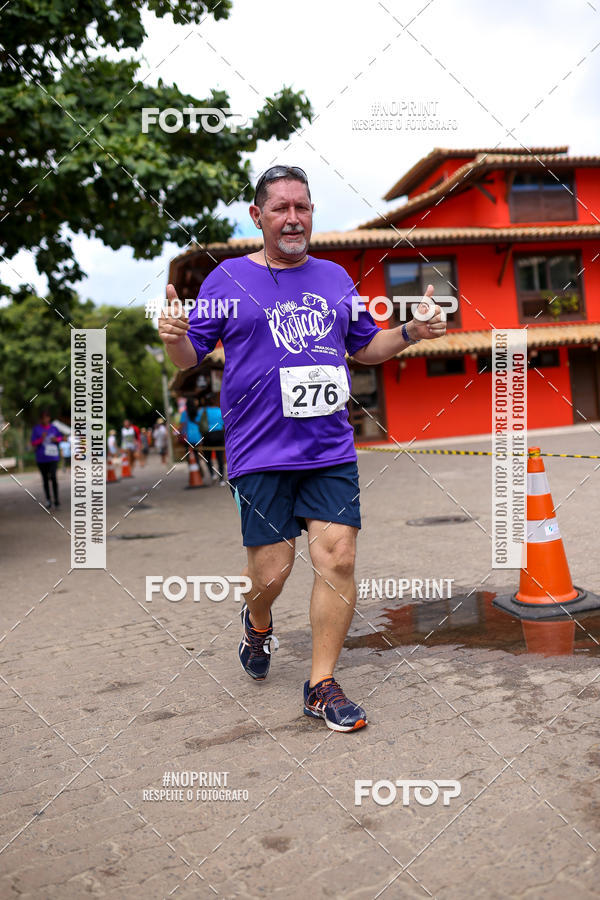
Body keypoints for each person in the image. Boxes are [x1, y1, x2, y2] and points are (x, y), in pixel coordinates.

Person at [158, 165, 446, 732]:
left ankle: (320, 685)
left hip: (329, 448)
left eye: (303, 207)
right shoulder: (226, 280)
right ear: (257, 216)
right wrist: (173, 339)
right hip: (259, 450)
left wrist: (411, 332)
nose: (293, 217)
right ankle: (257, 621)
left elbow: (366, 348)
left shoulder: (337, 278)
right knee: (272, 571)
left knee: (337, 557)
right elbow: (191, 355)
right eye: (281, 207)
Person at [30, 411, 62, 509]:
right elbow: (33, 443)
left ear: (49, 418)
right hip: (41, 458)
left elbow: (60, 437)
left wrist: (56, 440)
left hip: (53, 457)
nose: (45, 419)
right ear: (41, 419)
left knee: (53, 477)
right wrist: (41, 439)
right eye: (43, 418)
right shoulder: (36, 429)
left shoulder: (54, 428)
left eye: (46, 417)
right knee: (45, 479)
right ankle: (48, 500)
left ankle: (56, 500)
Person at [200, 395, 226, 485]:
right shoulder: (219, 410)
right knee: (220, 458)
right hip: (219, 434)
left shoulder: (202, 412)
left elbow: (199, 422)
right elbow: (223, 423)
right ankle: (221, 479)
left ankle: (212, 474)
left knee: (207, 457)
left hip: (207, 435)